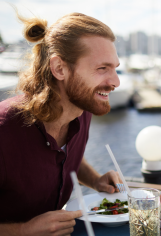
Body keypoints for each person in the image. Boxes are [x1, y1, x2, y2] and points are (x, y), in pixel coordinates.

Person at [0, 11, 123, 235]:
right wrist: (24, 230)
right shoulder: (4, 131)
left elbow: (65, 155)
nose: (116, 81)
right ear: (59, 69)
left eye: (115, 68)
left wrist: (96, 180)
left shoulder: (82, 108)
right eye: (102, 68)